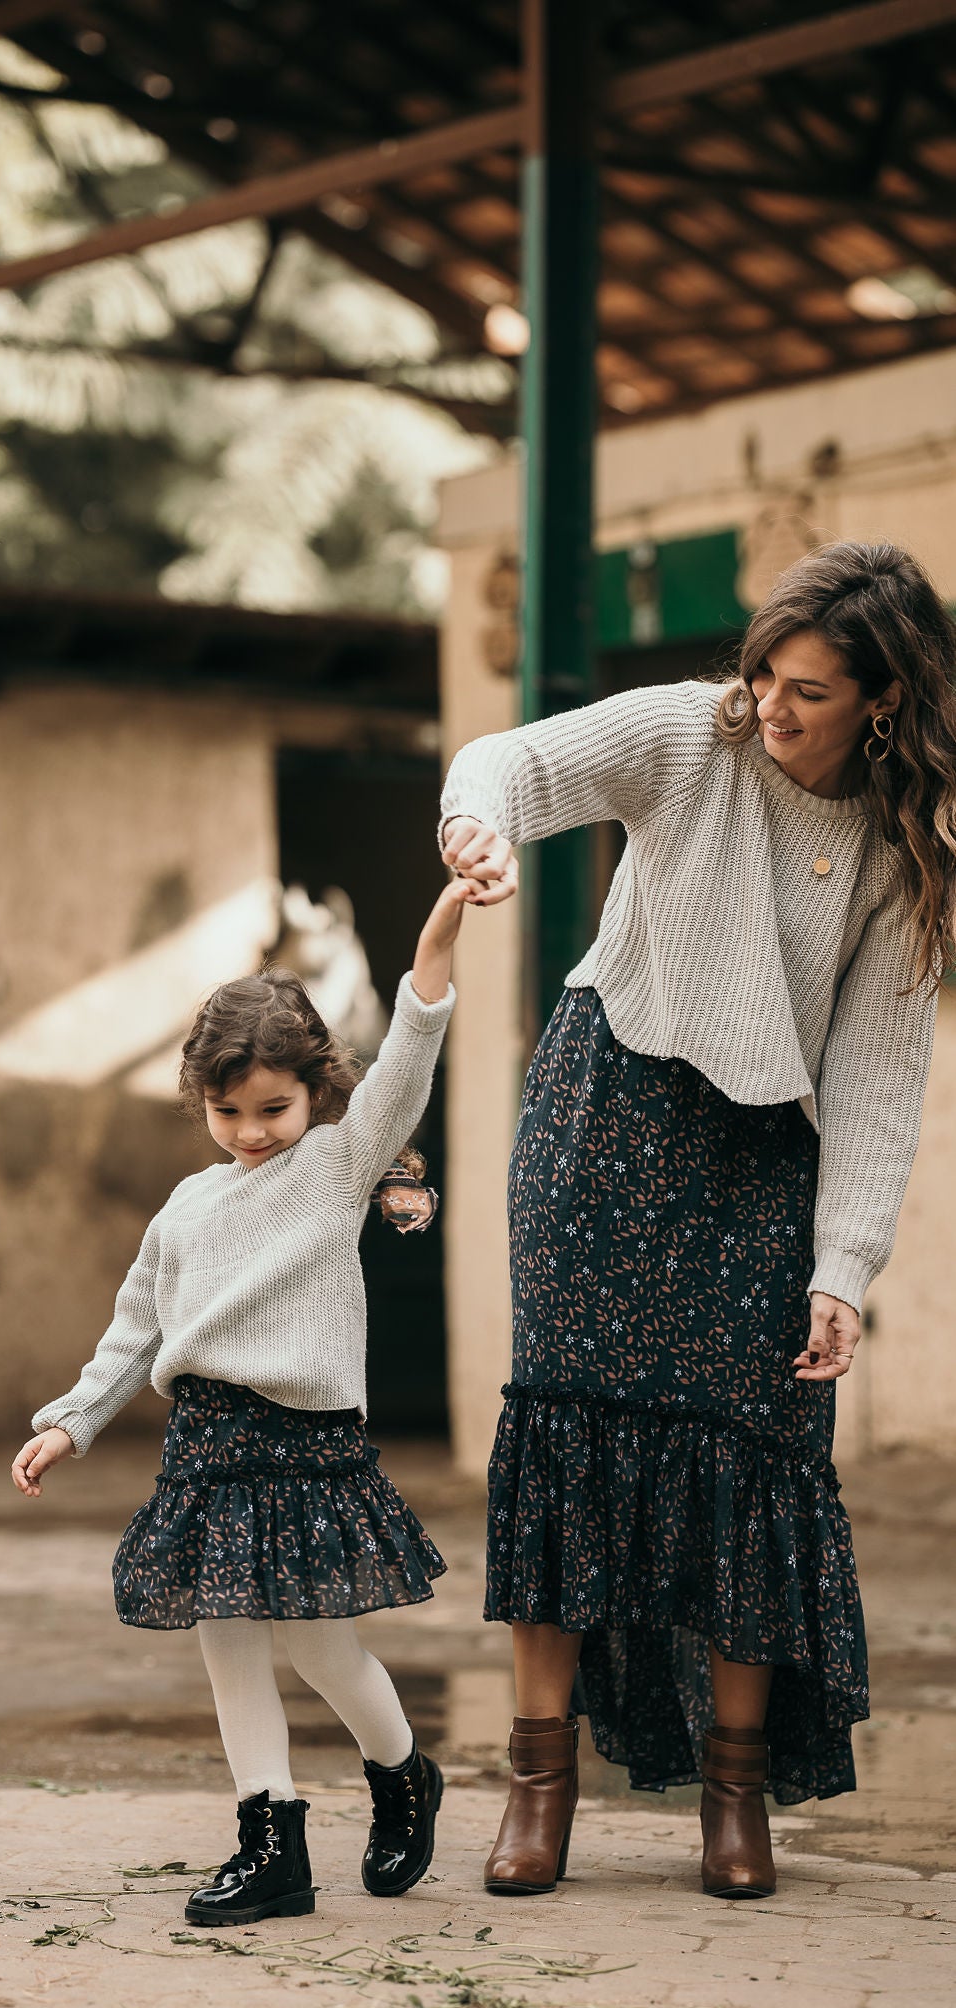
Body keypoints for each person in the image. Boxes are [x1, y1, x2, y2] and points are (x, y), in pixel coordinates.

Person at [439, 538, 956, 1901]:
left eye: (809, 693)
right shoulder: (692, 733)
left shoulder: (904, 851)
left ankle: (736, 1799)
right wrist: (476, 824)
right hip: (602, 1117)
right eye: (766, 676)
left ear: (884, 703)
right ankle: (537, 1781)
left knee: (758, 1459)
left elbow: (880, 1077)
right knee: (562, 1433)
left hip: (759, 1167)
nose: (770, 709)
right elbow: (511, 762)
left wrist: (844, 1267)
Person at [12, 874, 511, 1925]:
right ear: (199, 1097)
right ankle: (269, 1841)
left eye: (272, 1107)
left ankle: (403, 1773)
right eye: (226, 1109)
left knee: (321, 1643)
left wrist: (439, 928)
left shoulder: (337, 1165)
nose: (248, 1129)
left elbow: (411, 1055)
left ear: (316, 1092)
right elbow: (135, 1323)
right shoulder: (185, 1206)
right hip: (207, 1443)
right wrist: (71, 1417)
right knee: (226, 1634)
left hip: (305, 1441)